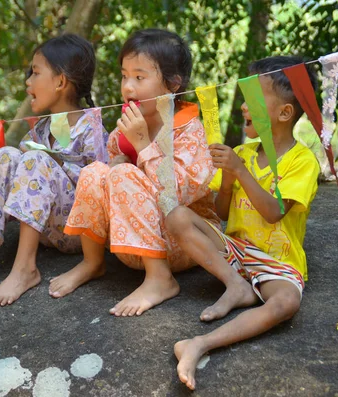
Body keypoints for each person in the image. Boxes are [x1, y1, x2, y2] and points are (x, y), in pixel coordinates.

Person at [165, 56, 321, 390]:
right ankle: (237, 285)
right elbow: (222, 213)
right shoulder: (243, 153)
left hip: (277, 263)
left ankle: (200, 344)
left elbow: (273, 212)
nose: (243, 108)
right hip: (234, 253)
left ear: (284, 113)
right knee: (177, 215)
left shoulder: (302, 161)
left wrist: (238, 170)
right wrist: (226, 180)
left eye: (252, 101)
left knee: (286, 303)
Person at [49, 28, 219, 317]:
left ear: (173, 84)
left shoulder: (189, 130)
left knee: (122, 175)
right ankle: (93, 262)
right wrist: (117, 164)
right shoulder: (124, 128)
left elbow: (179, 193)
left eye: (140, 77)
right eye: (124, 76)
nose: (128, 87)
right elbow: (112, 167)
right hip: (131, 244)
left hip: (185, 243)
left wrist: (142, 147)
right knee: (95, 171)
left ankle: (160, 279)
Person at [0, 34, 107, 307]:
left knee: (36, 160)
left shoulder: (93, 130)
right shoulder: (40, 129)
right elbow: (22, 187)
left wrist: (54, 161)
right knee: (6, 155)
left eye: (35, 73)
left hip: (77, 233)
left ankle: (24, 269)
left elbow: (101, 188)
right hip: (46, 230)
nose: (28, 82)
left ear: (61, 82)